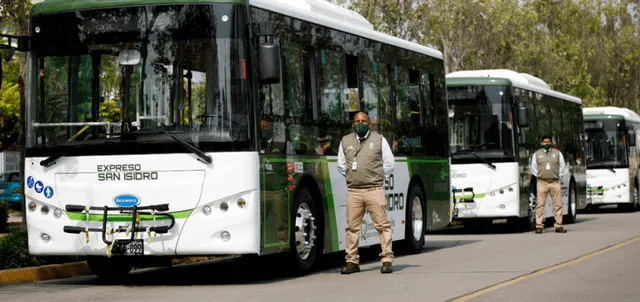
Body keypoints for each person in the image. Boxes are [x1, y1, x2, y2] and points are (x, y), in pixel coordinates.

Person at [337, 111, 395, 274]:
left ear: (369, 124)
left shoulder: (379, 139)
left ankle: (386, 260)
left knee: (382, 225)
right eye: (357, 121)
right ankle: (352, 261)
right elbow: (341, 165)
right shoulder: (345, 141)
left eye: (363, 121)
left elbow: (389, 163)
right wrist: (352, 176)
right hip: (353, 191)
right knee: (352, 227)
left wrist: (377, 176)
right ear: (353, 124)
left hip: (374, 189)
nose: (360, 123)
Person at [530, 135, 567, 234]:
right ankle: (539, 226)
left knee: (558, 205)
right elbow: (533, 167)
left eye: (548, 142)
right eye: (545, 142)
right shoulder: (536, 154)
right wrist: (539, 176)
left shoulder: (557, 153)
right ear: (541, 143)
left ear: (551, 142)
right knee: (540, 205)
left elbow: (562, 166)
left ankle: (558, 226)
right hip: (542, 182)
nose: (546, 144)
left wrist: (558, 176)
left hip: (555, 182)